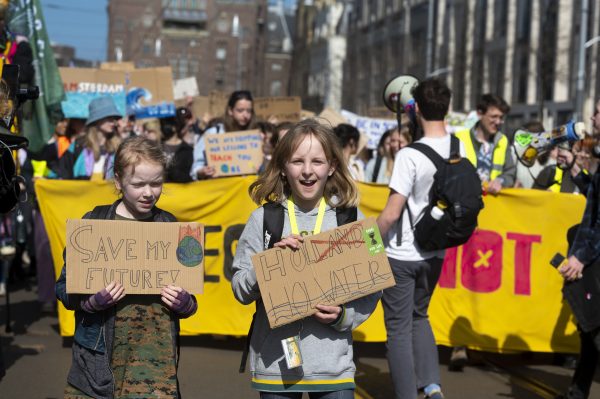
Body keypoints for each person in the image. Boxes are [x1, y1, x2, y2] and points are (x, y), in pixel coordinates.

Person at [231, 119, 381, 398]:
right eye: (298, 161)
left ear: (332, 166)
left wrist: (344, 316)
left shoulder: (353, 219)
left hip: (333, 368)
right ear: (284, 168)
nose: (308, 171)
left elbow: (376, 284)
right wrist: (268, 263)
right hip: (275, 366)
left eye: (318, 162)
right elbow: (240, 288)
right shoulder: (263, 219)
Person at [56, 136, 198, 399]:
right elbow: (63, 289)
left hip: (155, 368)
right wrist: (91, 302)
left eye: (156, 183)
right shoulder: (94, 223)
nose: (148, 192)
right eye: (138, 184)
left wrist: (184, 304)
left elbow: (191, 299)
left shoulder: (170, 227)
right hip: (98, 367)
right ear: (119, 181)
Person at [377, 78, 463, 399]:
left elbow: (390, 214)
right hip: (437, 252)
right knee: (420, 315)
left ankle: (407, 395)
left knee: (398, 330)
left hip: (402, 254)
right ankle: (432, 386)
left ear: (416, 111)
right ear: (447, 107)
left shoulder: (409, 156)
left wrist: (367, 245)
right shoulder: (459, 147)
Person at [555, 99, 600, 399]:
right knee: (589, 331)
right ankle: (577, 392)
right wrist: (576, 171)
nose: (594, 117)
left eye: (599, 112)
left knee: (594, 332)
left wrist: (580, 257)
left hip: (593, 258)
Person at [455, 93, 515, 195]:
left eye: (501, 117)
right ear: (480, 113)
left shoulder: (503, 141)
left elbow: (510, 173)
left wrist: (500, 181)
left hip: (493, 205)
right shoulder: (459, 138)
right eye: (494, 116)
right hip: (467, 203)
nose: (498, 121)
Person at [191, 90, 258, 180]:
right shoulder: (214, 133)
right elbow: (195, 168)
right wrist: (201, 171)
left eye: (248, 111)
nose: (245, 115)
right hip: (220, 190)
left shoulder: (256, 136)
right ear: (230, 110)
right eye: (240, 110)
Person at [56, 96, 123, 180]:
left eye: (114, 119)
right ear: (97, 119)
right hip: (81, 192)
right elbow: (62, 172)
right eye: (109, 118)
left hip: (109, 193)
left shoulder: (119, 147)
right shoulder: (78, 145)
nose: (113, 122)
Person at [160, 114, 194, 183]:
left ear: (175, 127)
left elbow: (187, 175)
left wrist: (170, 169)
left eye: (167, 124)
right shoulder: (157, 147)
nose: (164, 127)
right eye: (163, 124)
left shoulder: (186, 149)